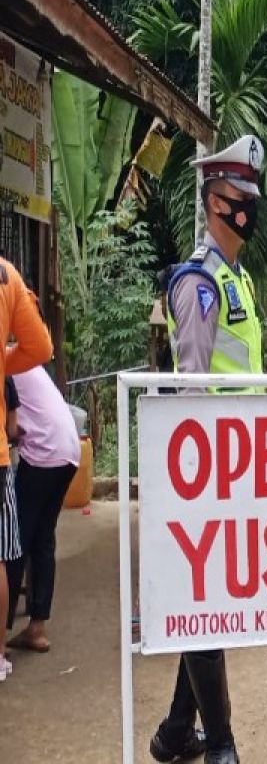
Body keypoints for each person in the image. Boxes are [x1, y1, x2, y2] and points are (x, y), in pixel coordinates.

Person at [151, 134, 267, 764]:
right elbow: (191, 395)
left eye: (251, 197)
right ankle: (220, 745)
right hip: (209, 468)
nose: (247, 210)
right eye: (236, 199)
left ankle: (175, 733)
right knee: (209, 607)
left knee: (209, 604)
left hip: (239, 462)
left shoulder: (234, 280)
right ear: (213, 203)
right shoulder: (199, 285)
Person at [0, 266, 54, 683]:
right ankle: (5, 648)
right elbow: (41, 347)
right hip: (19, 455)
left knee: (25, 544)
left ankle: (32, 627)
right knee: (10, 551)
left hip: (43, 456)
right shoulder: (7, 276)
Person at [5, 364, 82, 653]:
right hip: (67, 452)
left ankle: (1, 634)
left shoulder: (7, 366)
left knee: (15, 542)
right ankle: (37, 628)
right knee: (41, 540)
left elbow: (11, 428)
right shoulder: (25, 359)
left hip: (44, 453)